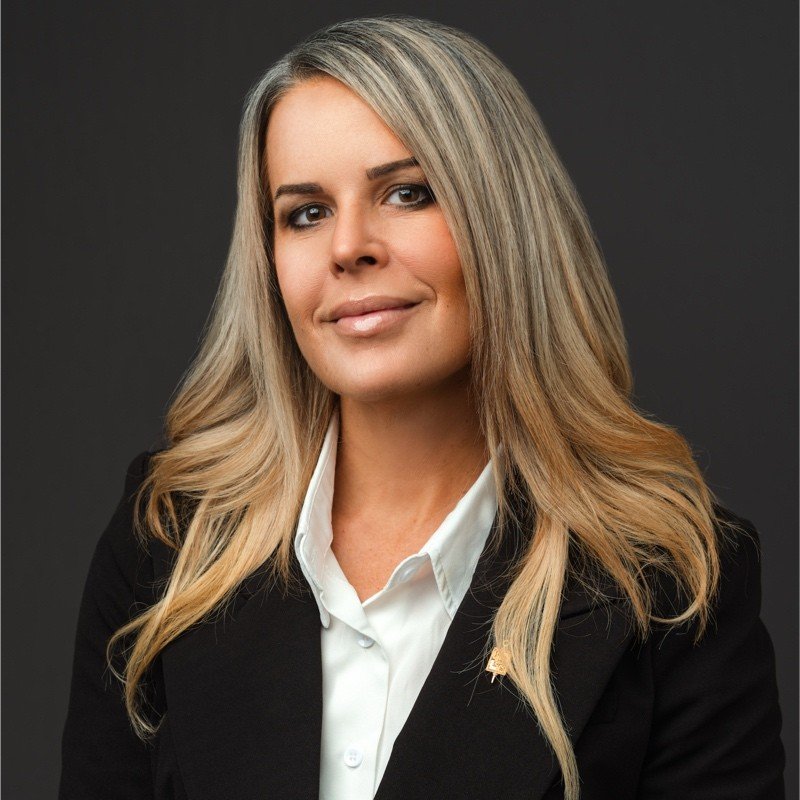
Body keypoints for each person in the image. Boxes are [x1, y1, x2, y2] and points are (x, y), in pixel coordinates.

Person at [59, 14, 785, 800]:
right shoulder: (169, 539)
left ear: (501, 224)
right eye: (305, 213)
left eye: (407, 193)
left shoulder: (668, 580)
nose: (349, 246)